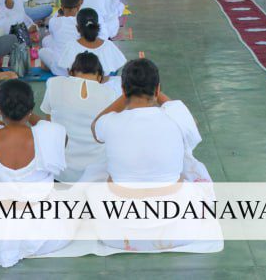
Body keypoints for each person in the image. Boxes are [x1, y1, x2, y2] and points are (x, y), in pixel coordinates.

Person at [90, 57, 212, 251]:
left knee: (95, 175)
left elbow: (95, 127)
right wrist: (153, 90)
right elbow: (192, 125)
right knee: (195, 171)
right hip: (179, 228)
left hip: (116, 231)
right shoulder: (175, 116)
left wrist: (129, 91)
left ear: (123, 90)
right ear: (157, 89)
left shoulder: (111, 122)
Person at [0, 80, 71, 267]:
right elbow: (60, 137)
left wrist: (2, 117)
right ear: (30, 108)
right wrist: (30, 116)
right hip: (41, 231)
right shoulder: (50, 134)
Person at [40, 51, 121, 182]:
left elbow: (49, 124)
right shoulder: (110, 94)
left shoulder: (53, 84)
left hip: (60, 172)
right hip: (96, 176)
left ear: (70, 72)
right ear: (100, 77)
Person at [55, 7, 126, 78]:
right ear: (98, 26)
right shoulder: (108, 45)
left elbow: (69, 71)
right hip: (102, 85)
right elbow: (116, 67)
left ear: (77, 28)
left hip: (77, 86)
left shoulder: (71, 45)